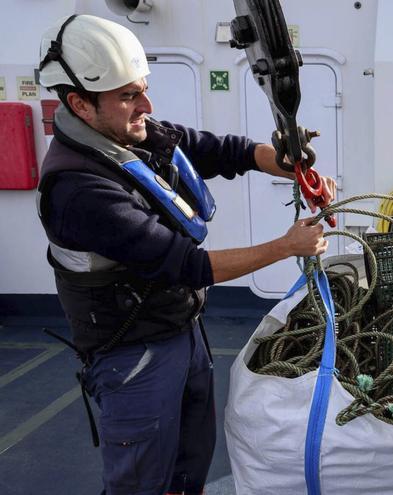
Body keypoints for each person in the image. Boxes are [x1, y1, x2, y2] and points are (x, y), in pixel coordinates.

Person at [35, 15, 334, 495]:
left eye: (143, 89)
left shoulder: (130, 133)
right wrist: (286, 247)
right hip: (132, 355)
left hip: (181, 330)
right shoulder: (77, 189)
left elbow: (216, 150)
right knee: (140, 482)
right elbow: (187, 264)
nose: (146, 105)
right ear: (79, 103)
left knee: (189, 465)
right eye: (129, 96)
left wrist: (283, 162)